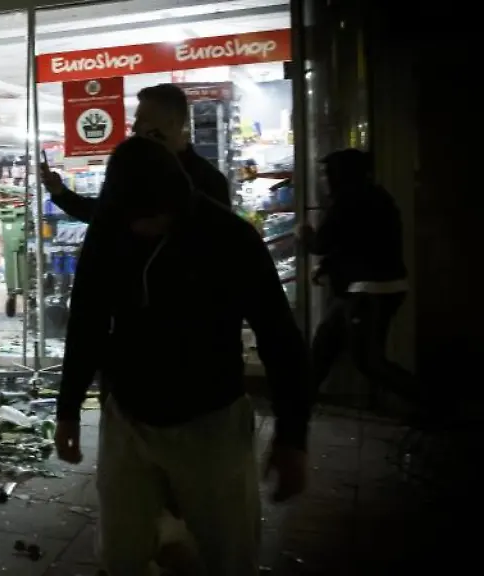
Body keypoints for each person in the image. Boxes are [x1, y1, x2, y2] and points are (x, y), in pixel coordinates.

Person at [54, 134, 311, 575]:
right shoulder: (111, 229)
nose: (138, 227)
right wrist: (68, 410)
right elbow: (87, 321)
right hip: (128, 418)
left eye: (149, 218)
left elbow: (279, 339)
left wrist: (292, 438)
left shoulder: (229, 238)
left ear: (177, 203)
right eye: (129, 217)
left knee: (228, 555)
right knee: (120, 553)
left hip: (211, 422)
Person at [301, 148, 413, 405]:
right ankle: (300, 399)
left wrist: (304, 233)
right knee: (325, 343)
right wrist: (328, 266)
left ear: (341, 175)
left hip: (369, 290)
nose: (324, 180)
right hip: (370, 288)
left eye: (327, 174)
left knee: (368, 361)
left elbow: (322, 243)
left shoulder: (347, 201)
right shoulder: (376, 197)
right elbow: (358, 241)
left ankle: (432, 404)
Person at [42, 83, 232, 222]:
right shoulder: (133, 173)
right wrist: (61, 193)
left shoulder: (208, 181)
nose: (136, 128)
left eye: (144, 120)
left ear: (172, 124)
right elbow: (103, 214)